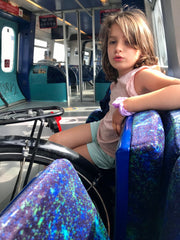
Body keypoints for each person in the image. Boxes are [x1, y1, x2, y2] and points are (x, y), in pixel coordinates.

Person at [48, 7, 180, 169]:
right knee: (52, 144)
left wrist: (128, 105)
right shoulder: (120, 77)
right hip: (103, 128)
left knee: (56, 162)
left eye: (128, 42)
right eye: (113, 41)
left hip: (107, 150)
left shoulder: (141, 76)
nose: (118, 48)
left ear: (142, 47)